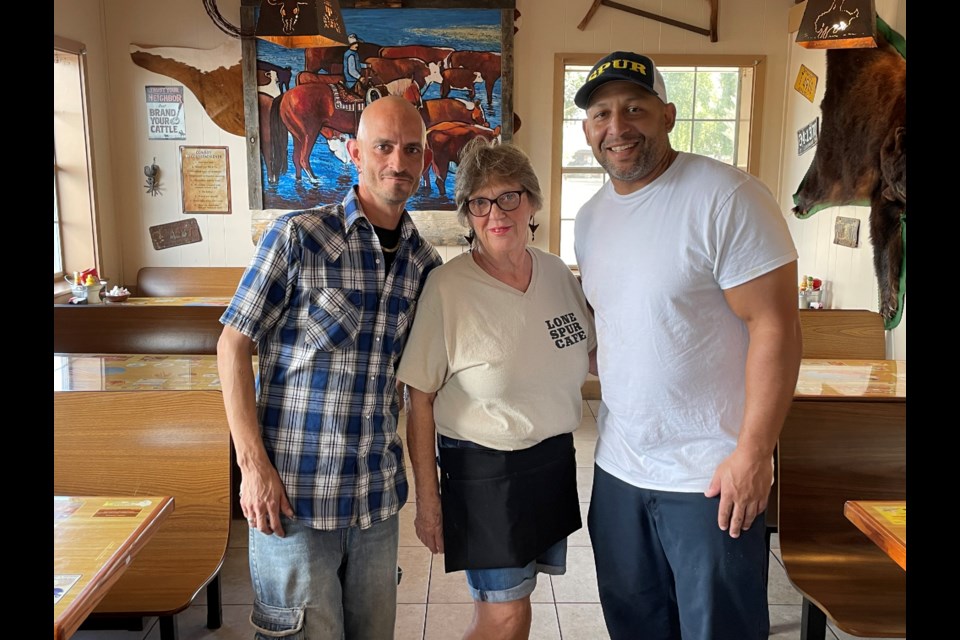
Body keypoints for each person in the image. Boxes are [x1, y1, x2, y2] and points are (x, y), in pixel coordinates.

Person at [573, 51, 804, 640]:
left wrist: (754, 454)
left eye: (635, 108)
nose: (617, 126)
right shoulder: (592, 218)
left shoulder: (727, 197)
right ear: (586, 129)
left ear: (668, 114)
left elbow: (775, 327)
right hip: (619, 471)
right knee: (635, 626)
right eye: (601, 113)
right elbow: (620, 329)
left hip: (709, 478)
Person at [216, 95, 443, 640]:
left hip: (376, 501)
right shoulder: (299, 236)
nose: (397, 162)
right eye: (383, 147)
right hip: (292, 497)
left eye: (411, 149)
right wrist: (252, 469)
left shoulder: (424, 265)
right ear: (353, 151)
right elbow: (231, 345)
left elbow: (420, 392)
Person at [397, 138, 596, 640]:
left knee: (519, 607)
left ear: (530, 201)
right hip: (484, 471)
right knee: (502, 613)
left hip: (550, 460)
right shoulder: (448, 288)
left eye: (509, 196)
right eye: (479, 203)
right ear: (467, 214)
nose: (496, 213)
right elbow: (418, 399)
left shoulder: (555, 273)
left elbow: (593, 353)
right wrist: (428, 501)